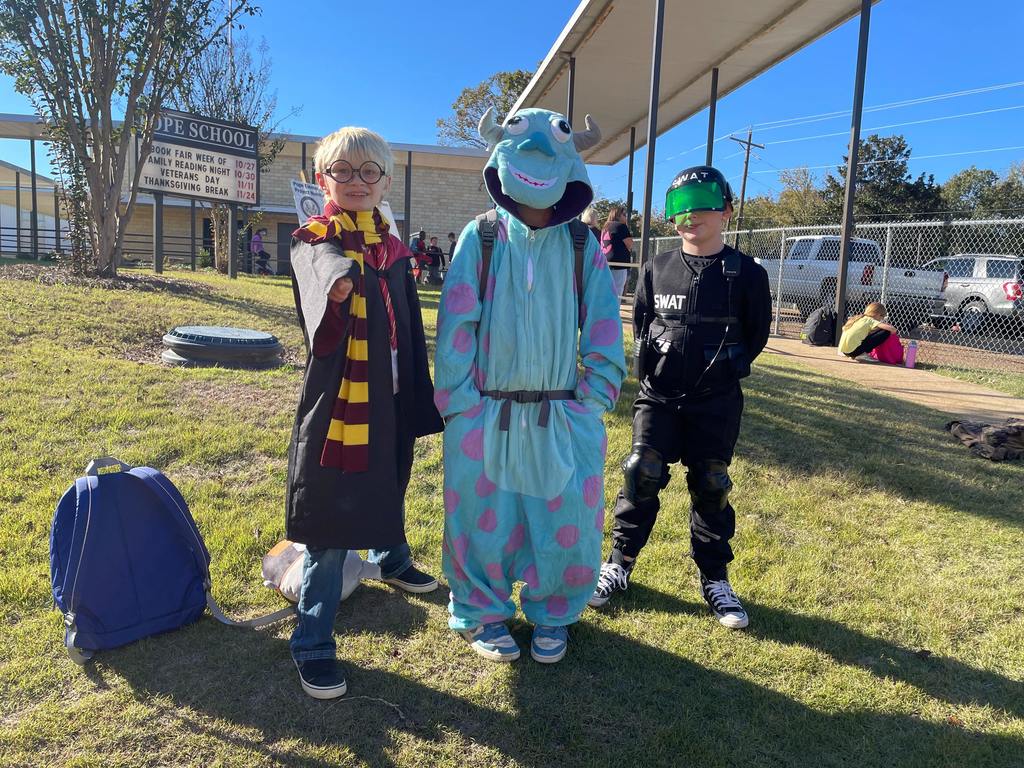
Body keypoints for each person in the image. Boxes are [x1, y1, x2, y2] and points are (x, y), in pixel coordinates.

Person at [435, 107, 626, 664]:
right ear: (503, 160)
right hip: (485, 412)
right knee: (480, 521)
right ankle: (482, 612)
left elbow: (603, 325)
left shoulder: (581, 244)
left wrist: (593, 400)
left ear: (571, 169)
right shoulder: (481, 236)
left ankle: (554, 611)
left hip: (561, 414)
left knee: (563, 520)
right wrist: (460, 404)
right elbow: (456, 323)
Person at [287, 126, 444, 699]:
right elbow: (323, 267)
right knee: (330, 517)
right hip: (342, 402)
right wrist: (337, 285)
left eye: (368, 171)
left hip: (392, 391)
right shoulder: (314, 239)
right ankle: (312, 640)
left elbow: (410, 326)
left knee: (390, 476)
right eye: (343, 171)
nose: (357, 181)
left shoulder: (392, 251)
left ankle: (391, 559)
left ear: (385, 182)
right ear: (323, 178)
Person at [589, 165, 772, 630]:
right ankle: (619, 562)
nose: (691, 215)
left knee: (711, 483)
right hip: (658, 397)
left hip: (716, 401)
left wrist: (719, 368)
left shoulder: (748, 274)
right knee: (641, 472)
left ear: (726, 210)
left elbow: (755, 335)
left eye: (703, 202)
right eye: (680, 206)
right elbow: (643, 324)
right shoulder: (657, 268)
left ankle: (715, 578)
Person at [600, 206, 633, 298]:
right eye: (624, 214)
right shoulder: (621, 226)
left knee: (605, 291)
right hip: (619, 264)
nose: (625, 217)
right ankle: (614, 307)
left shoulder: (605, 227)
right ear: (618, 215)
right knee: (617, 291)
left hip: (605, 263)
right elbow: (630, 244)